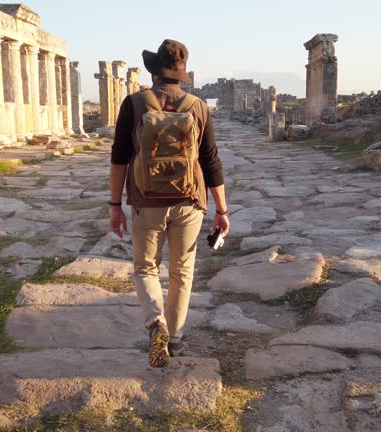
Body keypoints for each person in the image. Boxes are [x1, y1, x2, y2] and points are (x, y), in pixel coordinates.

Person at [109, 39, 230, 368]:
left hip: (145, 200)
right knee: (181, 272)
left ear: (153, 72)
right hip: (189, 200)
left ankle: (155, 324)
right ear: (181, 74)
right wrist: (221, 209)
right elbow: (211, 161)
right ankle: (174, 339)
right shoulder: (198, 106)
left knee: (145, 267)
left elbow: (119, 158)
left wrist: (114, 204)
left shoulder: (134, 103)